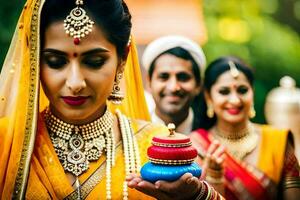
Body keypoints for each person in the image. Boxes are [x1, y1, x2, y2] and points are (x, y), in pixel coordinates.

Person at [0, 0, 223, 199]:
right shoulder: (6, 143)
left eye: (95, 61)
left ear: (122, 59)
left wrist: (196, 196)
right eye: (56, 62)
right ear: (34, 60)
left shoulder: (159, 147)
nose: (76, 83)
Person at [190, 56, 300, 199]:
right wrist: (215, 179)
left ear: (252, 93)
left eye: (242, 90)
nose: (235, 100)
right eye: (224, 91)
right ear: (208, 97)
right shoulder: (196, 147)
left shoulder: (278, 141)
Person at [142, 35, 206, 134]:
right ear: (149, 82)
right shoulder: (133, 133)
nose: (173, 87)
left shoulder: (212, 137)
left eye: (183, 78)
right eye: (164, 77)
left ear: (198, 85)